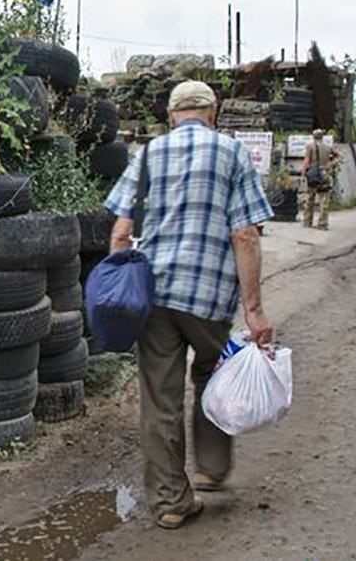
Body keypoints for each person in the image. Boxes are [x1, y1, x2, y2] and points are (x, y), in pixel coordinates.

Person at [106, 81, 275, 530]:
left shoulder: (146, 155)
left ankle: (170, 502)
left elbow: (121, 233)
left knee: (160, 400)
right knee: (212, 373)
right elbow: (245, 234)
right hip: (208, 296)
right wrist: (255, 311)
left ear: (171, 115)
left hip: (154, 295)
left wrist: (117, 285)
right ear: (213, 114)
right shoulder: (232, 153)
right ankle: (211, 467)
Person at [299, 129, 342, 230]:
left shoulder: (310, 147)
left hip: (312, 175)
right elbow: (340, 156)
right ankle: (322, 223)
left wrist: (303, 173)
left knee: (310, 198)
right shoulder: (327, 147)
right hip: (324, 174)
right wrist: (330, 164)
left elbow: (307, 161)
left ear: (313, 136)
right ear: (322, 137)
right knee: (324, 200)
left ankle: (307, 221)